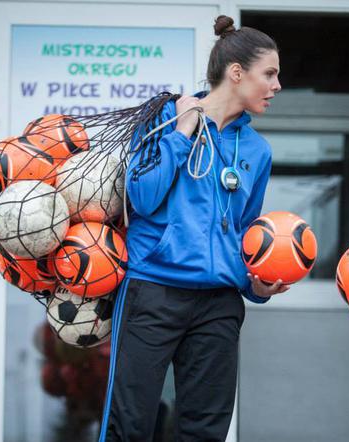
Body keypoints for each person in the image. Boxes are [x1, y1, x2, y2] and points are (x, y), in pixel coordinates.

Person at [98, 15, 288, 442]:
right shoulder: (164, 118)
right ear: (236, 73)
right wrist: (184, 130)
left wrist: (254, 286)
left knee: (205, 431)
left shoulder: (257, 150)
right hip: (153, 290)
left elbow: (243, 234)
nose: (277, 85)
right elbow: (143, 197)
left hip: (219, 304)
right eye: (270, 74)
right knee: (129, 425)